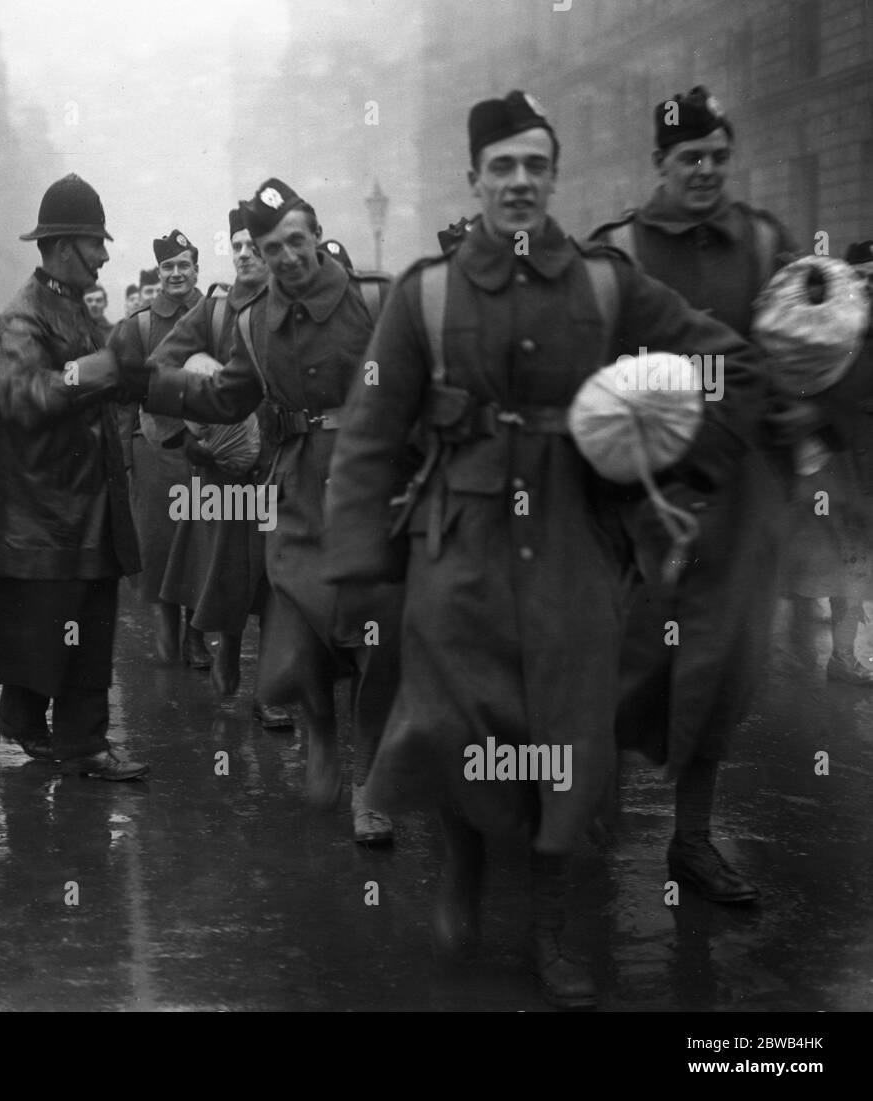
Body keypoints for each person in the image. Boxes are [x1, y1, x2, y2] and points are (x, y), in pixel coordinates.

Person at [321, 92, 761, 1006]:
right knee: (455, 723)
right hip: (458, 540)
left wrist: (685, 453)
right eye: (501, 167)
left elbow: (718, 359)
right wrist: (357, 573)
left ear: (554, 177)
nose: (518, 182)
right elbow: (368, 435)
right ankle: (464, 867)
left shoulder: (606, 285)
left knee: (570, 740)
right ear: (474, 180)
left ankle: (553, 922)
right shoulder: (423, 294)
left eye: (534, 165)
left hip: (574, 543)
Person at [115, 177, 399, 846]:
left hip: (368, 484)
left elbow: (418, 380)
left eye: (296, 241)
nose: (287, 258)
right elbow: (227, 394)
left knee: (376, 643)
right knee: (298, 627)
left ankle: (370, 788)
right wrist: (146, 383)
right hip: (293, 488)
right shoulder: (249, 321)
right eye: (273, 249)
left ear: (315, 235)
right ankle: (323, 732)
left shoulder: (376, 298)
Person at [591, 85, 796, 903]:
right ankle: (586, 821)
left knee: (722, 669)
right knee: (623, 663)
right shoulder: (619, 252)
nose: (706, 171)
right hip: (641, 497)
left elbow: (800, 350)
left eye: (717, 155)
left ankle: (693, 841)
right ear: (659, 165)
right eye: (689, 159)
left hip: (743, 501)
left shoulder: (764, 241)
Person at [0, 173, 147, 781]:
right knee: (68, 635)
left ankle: (48, 730)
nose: (106, 255)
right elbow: (22, 396)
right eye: (97, 243)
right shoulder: (22, 318)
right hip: (48, 516)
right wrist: (98, 369)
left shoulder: (72, 310)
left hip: (79, 509)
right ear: (65, 248)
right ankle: (73, 742)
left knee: (74, 630)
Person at [149, 204, 293, 727]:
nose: (245, 254)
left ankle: (270, 692)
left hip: (284, 459)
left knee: (280, 578)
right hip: (227, 466)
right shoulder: (212, 313)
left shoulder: (292, 305)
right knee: (233, 572)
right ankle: (226, 646)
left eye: (255, 246)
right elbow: (160, 368)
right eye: (236, 246)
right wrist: (188, 433)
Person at [110, 231, 210, 667]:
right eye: (167, 267)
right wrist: (126, 461)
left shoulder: (218, 316)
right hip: (155, 453)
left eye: (183, 265)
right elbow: (122, 399)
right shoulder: (140, 325)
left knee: (206, 545)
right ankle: (168, 628)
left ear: (196, 269)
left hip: (209, 449)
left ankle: (196, 634)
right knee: (161, 546)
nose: (175, 274)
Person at [779, 240, 873, 684]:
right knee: (830, 554)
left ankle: (836, 654)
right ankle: (824, 655)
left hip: (849, 457)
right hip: (833, 460)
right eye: (865, 277)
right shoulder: (833, 325)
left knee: (845, 556)